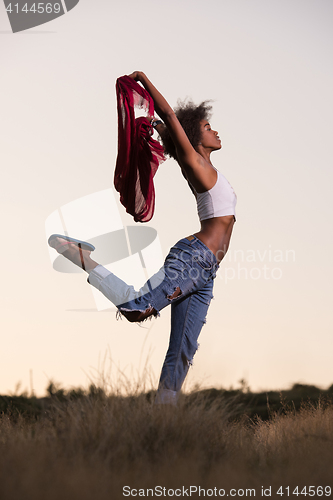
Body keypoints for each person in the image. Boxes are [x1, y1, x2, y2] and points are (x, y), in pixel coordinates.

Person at [48, 71, 237, 405]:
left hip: (206, 271)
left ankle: (164, 420)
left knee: (183, 349)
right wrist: (147, 83)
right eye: (208, 128)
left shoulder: (199, 164)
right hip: (192, 259)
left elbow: (168, 129)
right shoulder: (195, 163)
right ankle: (82, 257)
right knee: (138, 309)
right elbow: (169, 117)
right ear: (194, 137)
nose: (216, 131)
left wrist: (161, 131)